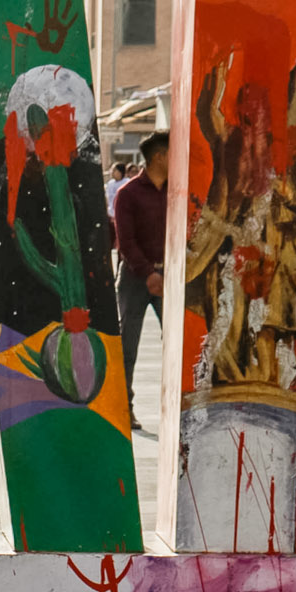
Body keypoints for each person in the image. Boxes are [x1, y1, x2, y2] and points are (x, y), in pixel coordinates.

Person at [111, 133, 168, 434]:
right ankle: (125, 407)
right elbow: (126, 241)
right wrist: (148, 273)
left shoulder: (178, 191)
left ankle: (179, 408)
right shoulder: (128, 193)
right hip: (134, 278)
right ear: (159, 157)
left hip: (170, 278)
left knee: (178, 347)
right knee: (128, 345)